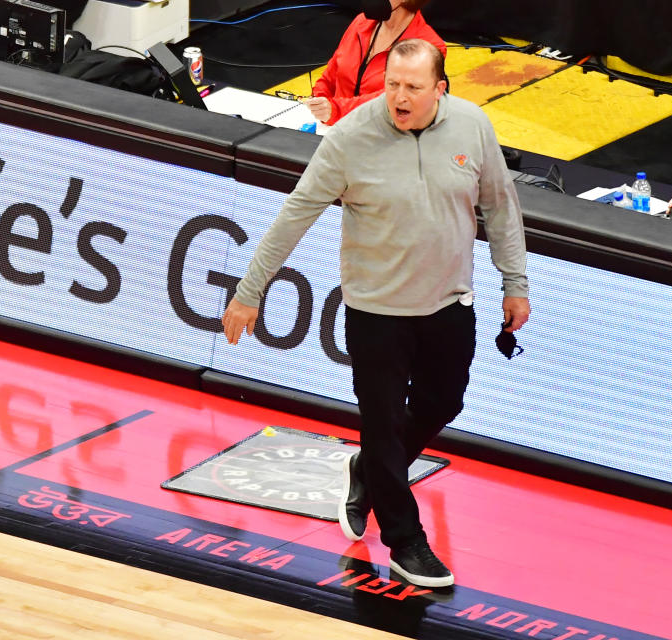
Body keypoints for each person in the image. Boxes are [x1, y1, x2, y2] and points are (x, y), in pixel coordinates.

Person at [221, 39, 529, 588]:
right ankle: (406, 543)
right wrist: (250, 291)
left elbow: (500, 207)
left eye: (413, 87)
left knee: (444, 402)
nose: (399, 97)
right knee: (382, 426)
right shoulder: (350, 139)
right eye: (392, 84)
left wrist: (515, 283)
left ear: (441, 89)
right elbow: (296, 213)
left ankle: (365, 472)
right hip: (376, 311)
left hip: (449, 302)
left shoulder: (471, 126)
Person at [304, 0, 446, 126]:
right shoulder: (360, 23)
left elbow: (391, 101)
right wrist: (319, 102)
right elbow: (330, 75)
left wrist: (335, 110)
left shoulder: (428, 47)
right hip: (337, 132)